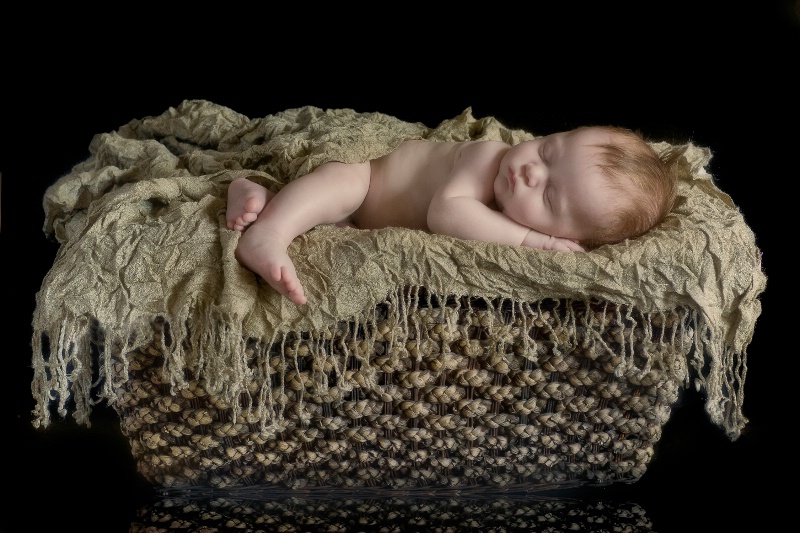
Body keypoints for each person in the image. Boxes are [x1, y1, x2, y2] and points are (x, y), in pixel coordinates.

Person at [226, 126, 680, 305]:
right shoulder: (488, 158)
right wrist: (531, 241)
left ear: (570, 233)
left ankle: (255, 194)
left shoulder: (509, 199)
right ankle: (268, 233)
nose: (529, 169)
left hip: (355, 222)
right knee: (341, 185)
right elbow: (446, 213)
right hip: (367, 176)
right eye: (547, 149)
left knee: (324, 216)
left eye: (549, 195)